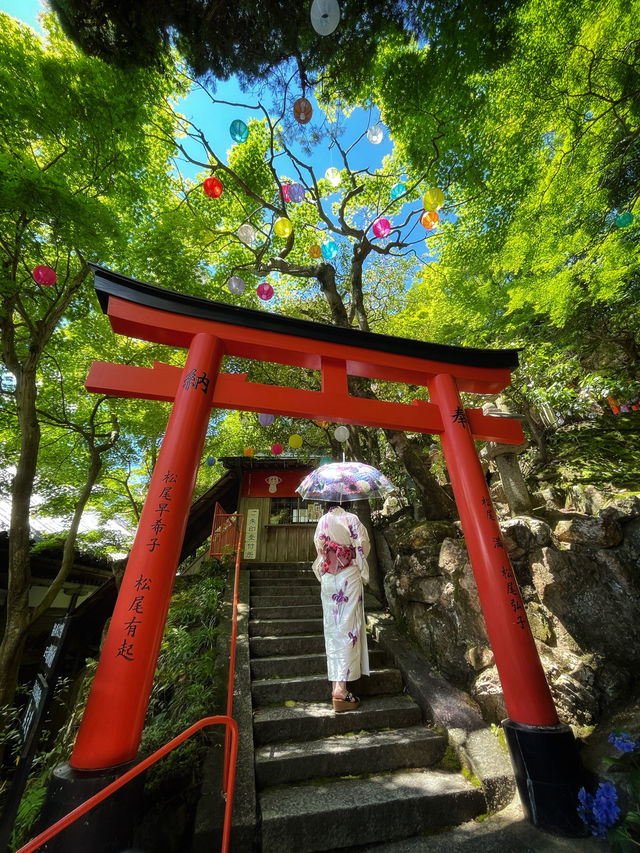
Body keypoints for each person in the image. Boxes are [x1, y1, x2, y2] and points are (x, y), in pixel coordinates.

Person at [312, 505, 370, 711]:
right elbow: (363, 547)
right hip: (348, 576)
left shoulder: (322, 522)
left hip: (329, 578)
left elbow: (320, 552)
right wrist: (361, 568)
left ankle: (337, 684)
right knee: (348, 627)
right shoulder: (352, 519)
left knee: (333, 629)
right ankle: (341, 689)